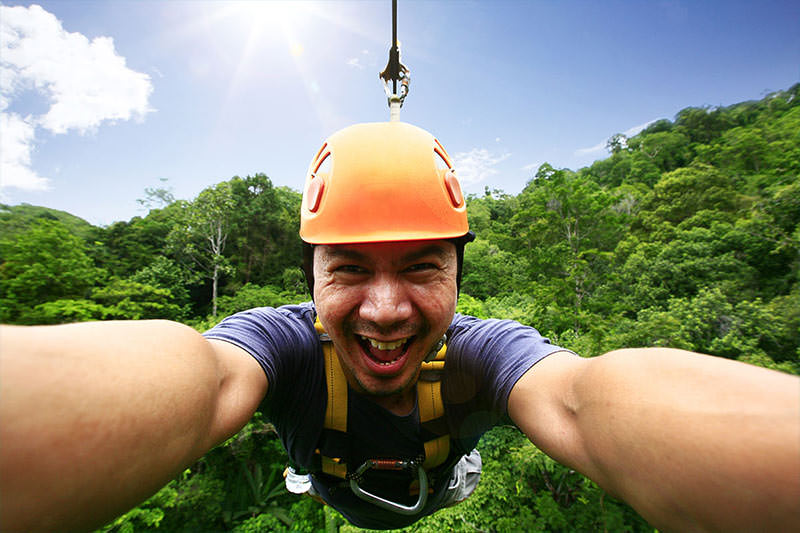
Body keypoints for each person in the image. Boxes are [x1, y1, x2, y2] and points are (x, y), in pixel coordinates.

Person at [1, 121, 798, 532]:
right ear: (309, 278)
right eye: (348, 267)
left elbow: (587, 400)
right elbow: (200, 379)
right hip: (342, 474)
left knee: (441, 476)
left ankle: (393, 474)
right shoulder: (277, 343)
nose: (385, 310)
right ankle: (314, 473)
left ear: (459, 277)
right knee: (312, 467)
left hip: (437, 485)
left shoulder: (486, 353)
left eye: (421, 266)